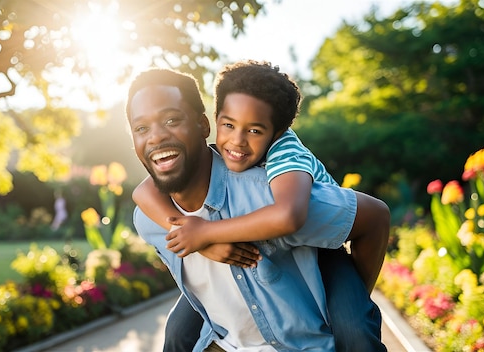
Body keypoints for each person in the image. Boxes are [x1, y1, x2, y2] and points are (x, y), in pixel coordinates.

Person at [126, 67, 386, 351]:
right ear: (217, 121)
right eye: (141, 128)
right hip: (225, 332)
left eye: (172, 119)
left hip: (325, 250)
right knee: (177, 334)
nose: (155, 137)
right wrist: (202, 241)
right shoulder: (150, 216)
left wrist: (358, 295)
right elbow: (143, 192)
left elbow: (294, 215)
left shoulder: (275, 179)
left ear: (202, 125)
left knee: (355, 327)